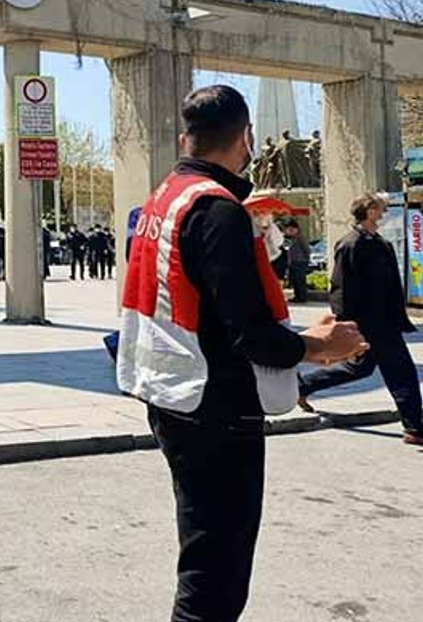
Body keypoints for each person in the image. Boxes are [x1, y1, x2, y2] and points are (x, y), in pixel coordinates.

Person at [117, 84, 366, 622]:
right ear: (247, 137)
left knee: (203, 555)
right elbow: (252, 337)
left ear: (188, 136)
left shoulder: (168, 196)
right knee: (216, 581)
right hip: (217, 407)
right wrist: (320, 346)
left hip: (172, 395)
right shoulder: (218, 210)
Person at [298, 194, 423, 445]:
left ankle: (301, 386)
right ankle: (415, 427)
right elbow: (341, 288)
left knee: (360, 368)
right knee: (403, 373)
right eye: (379, 208)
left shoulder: (379, 242)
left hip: (386, 321)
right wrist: (347, 326)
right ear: (368, 211)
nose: (384, 212)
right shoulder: (351, 244)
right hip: (371, 324)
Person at [283, 220, 310, 304]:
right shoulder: (289, 238)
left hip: (300, 261)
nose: (289, 231)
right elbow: (286, 248)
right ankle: (297, 296)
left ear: (295, 229)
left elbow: (307, 249)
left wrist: (307, 260)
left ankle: (302, 297)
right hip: (292, 261)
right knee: (294, 280)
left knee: (300, 280)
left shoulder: (300, 237)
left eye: (291, 230)